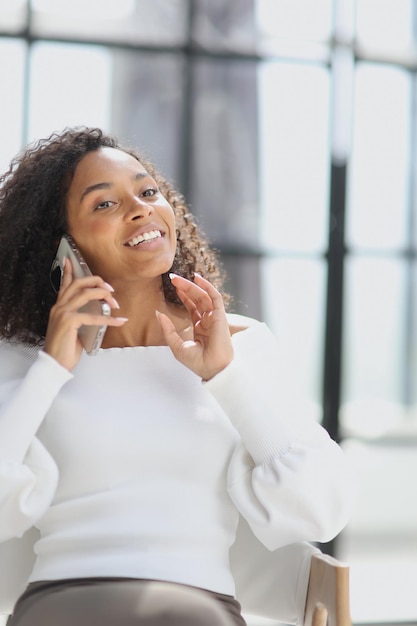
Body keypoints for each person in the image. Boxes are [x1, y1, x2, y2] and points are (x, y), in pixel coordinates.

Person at [0, 127, 354, 626]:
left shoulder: (240, 345)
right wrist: (51, 370)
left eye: (147, 192)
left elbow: (321, 511)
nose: (141, 208)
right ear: (59, 247)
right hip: (59, 604)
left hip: (195, 606)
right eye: (103, 204)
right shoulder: (25, 359)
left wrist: (225, 378)